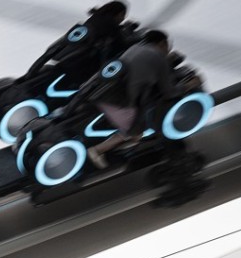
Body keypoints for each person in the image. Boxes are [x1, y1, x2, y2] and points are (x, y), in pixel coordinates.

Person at [86, 30, 201, 169]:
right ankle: (98, 150)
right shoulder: (158, 56)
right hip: (121, 107)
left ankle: (121, 147)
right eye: (168, 46)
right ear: (162, 43)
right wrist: (189, 85)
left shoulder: (135, 48)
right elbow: (169, 92)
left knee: (139, 127)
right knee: (146, 124)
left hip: (106, 97)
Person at [25, 0, 133, 79]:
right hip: (82, 66)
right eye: (123, 15)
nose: (123, 19)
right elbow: (121, 44)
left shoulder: (94, 19)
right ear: (119, 13)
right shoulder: (110, 25)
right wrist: (132, 36)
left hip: (65, 59)